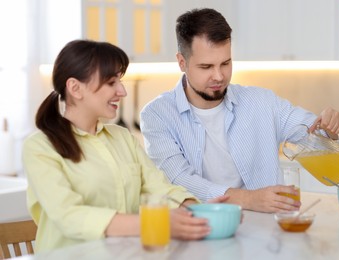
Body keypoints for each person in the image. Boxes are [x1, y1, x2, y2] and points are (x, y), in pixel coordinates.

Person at [140, 8, 339, 213]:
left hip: (266, 235)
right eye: (206, 67)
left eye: (225, 63)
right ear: (182, 62)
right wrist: (249, 199)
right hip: (198, 233)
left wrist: (333, 128)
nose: (219, 76)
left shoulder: (262, 102)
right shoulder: (157, 115)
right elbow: (179, 180)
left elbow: (321, 138)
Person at [22, 40, 214, 252]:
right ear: (75, 88)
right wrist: (158, 222)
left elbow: (159, 189)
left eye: (119, 81)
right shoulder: (40, 148)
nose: (122, 91)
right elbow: (69, 215)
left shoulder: (123, 138)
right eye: (111, 82)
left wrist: (202, 212)